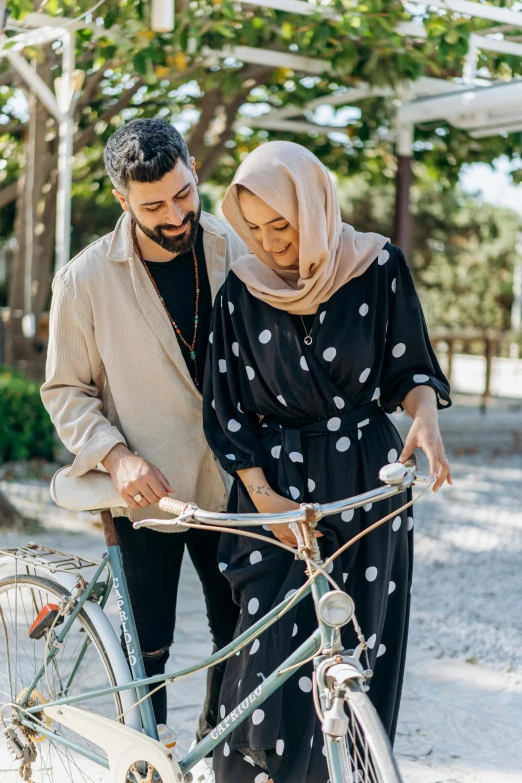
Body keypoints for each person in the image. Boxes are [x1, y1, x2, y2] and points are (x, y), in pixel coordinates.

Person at [203, 141, 452, 783]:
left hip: (366, 485)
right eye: (252, 228)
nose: (268, 243)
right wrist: (267, 503)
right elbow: (227, 412)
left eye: (280, 225)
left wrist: (423, 416)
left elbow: (411, 367)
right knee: (266, 668)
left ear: (312, 206)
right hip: (274, 491)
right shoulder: (239, 292)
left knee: (356, 662)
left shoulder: (378, 267)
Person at [41, 119, 247, 762]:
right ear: (122, 199)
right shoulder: (84, 279)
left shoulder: (235, 248)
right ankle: (146, 765)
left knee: (241, 631)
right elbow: (65, 392)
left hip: (237, 484)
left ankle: (226, 757)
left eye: (183, 194)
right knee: (148, 644)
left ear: (191, 168)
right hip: (147, 490)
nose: (175, 213)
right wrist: (116, 455)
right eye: (153, 205)